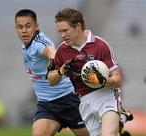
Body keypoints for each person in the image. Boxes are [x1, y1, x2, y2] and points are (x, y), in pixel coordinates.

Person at [47, 8, 133, 136]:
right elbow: (51, 80)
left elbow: (118, 80)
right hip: (84, 100)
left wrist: (104, 80)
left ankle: (118, 117)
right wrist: (60, 71)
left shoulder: (100, 45)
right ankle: (121, 120)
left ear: (78, 26)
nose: (62, 35)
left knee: (108, 134)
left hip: (106, 95)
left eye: (65, 30)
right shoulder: (62, 50)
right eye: (60, 31)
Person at [14, 9, 90, 136]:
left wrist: (55, 59)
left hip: (69, 100)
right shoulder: (26, 46)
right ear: (16, 28)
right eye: (20, 27)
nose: (24, 31)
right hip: (46, 105)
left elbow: (51, 51)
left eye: (28, 26)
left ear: (36, 26)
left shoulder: (39, 42)